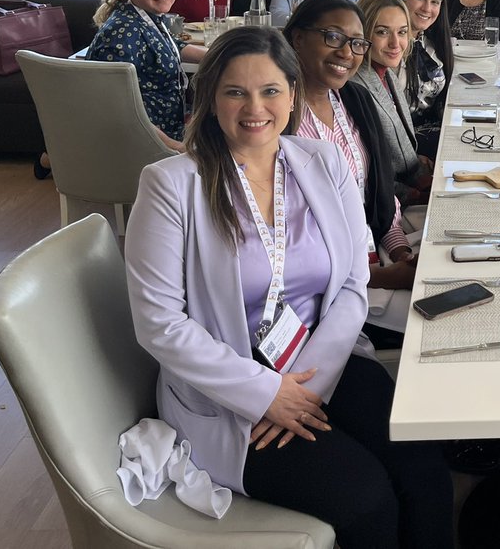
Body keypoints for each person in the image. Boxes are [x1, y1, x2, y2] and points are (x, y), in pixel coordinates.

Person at [123, 27, 452, 548]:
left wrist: (306, 386)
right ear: (211, 98)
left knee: (423, 467)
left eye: (270, 90)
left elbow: (352, 281)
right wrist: (266, 393)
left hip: (323, 358)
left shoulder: (322, 162)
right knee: (365, 497)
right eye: (235, 92)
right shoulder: (171, 184)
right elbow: (159, 324)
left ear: (293, 94)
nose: (254, 107)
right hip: (232, 388)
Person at [283, 0, 419, 348]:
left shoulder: (353, 101)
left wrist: (400, 251)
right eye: (333, 37)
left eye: (356, 43)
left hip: (379, 258)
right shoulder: (281, 122)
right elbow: (292, 239)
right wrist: (383, 277)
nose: (347, 52)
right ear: (297, 38)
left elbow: (377, 193)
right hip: (336, 294)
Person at [89, 0, 206, 151]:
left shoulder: (146, 17)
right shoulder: (122, 33)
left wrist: (223, 56)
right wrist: (176, 148)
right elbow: (119, 108)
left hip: (169, 128)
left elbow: (169, 45)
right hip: (144, 142)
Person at [352, 0, 431, 205]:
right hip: (389, 205)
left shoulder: (387, 74)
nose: (395, 43)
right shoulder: (355, 86)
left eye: (402, 32)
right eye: (382, 32)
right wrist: (418, 196)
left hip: (410, 185)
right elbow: (366, 173)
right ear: (363, 34)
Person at [392, 0, 454, 158]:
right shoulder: (390, 48)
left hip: (432, 129)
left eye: (435, 2)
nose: (427, 8)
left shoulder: (431, 43)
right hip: (402, 142)